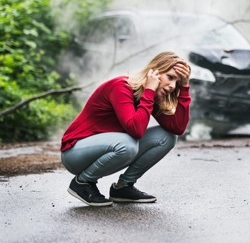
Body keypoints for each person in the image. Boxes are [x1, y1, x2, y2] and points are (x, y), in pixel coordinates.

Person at [60, 51, 191, 206]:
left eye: (177, 82)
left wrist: (185, 88)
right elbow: (135, 130)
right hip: (75, 152)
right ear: (154, 72)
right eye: (170, 77)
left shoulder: (151, 96)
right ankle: (82, 183)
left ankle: (123, 187)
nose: (172, 86)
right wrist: (149, 92)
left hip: (107, 149)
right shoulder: (121, 86)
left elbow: (177, 128)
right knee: (128, 144)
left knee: (167, 137)